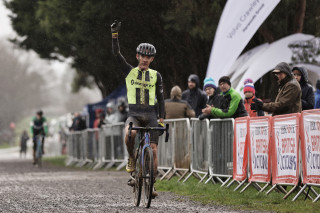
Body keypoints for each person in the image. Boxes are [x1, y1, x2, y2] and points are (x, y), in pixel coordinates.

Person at [111, 20, 165, 197]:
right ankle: (132, 158)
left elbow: (162, 98)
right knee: (130, 133)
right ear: (137, 57)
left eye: (148, 57)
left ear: (152, 59)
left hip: (151, 114)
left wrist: (162, 118)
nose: (145, 59)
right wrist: (114, 35)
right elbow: (116, 53)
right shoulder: (129, 72)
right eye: (142, 56)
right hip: (134, 113)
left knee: (154, 151)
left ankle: (152, 186)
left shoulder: (156, 75)